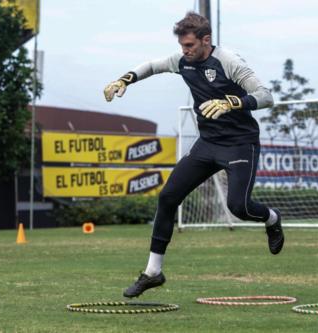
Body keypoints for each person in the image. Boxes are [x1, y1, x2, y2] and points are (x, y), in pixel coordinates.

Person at [104, 12, 284, 298]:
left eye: (189, 45)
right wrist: (124, 80)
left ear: (206, 40)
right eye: (182, 46)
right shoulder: (182, 61)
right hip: (207, 144)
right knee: (167, 198)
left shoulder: (228, 62)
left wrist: (233, 102)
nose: (184, 51)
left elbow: (266, 96)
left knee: (239, 207)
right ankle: (153, 272)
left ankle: (272, 219)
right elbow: (152, 66)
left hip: (239, 143)